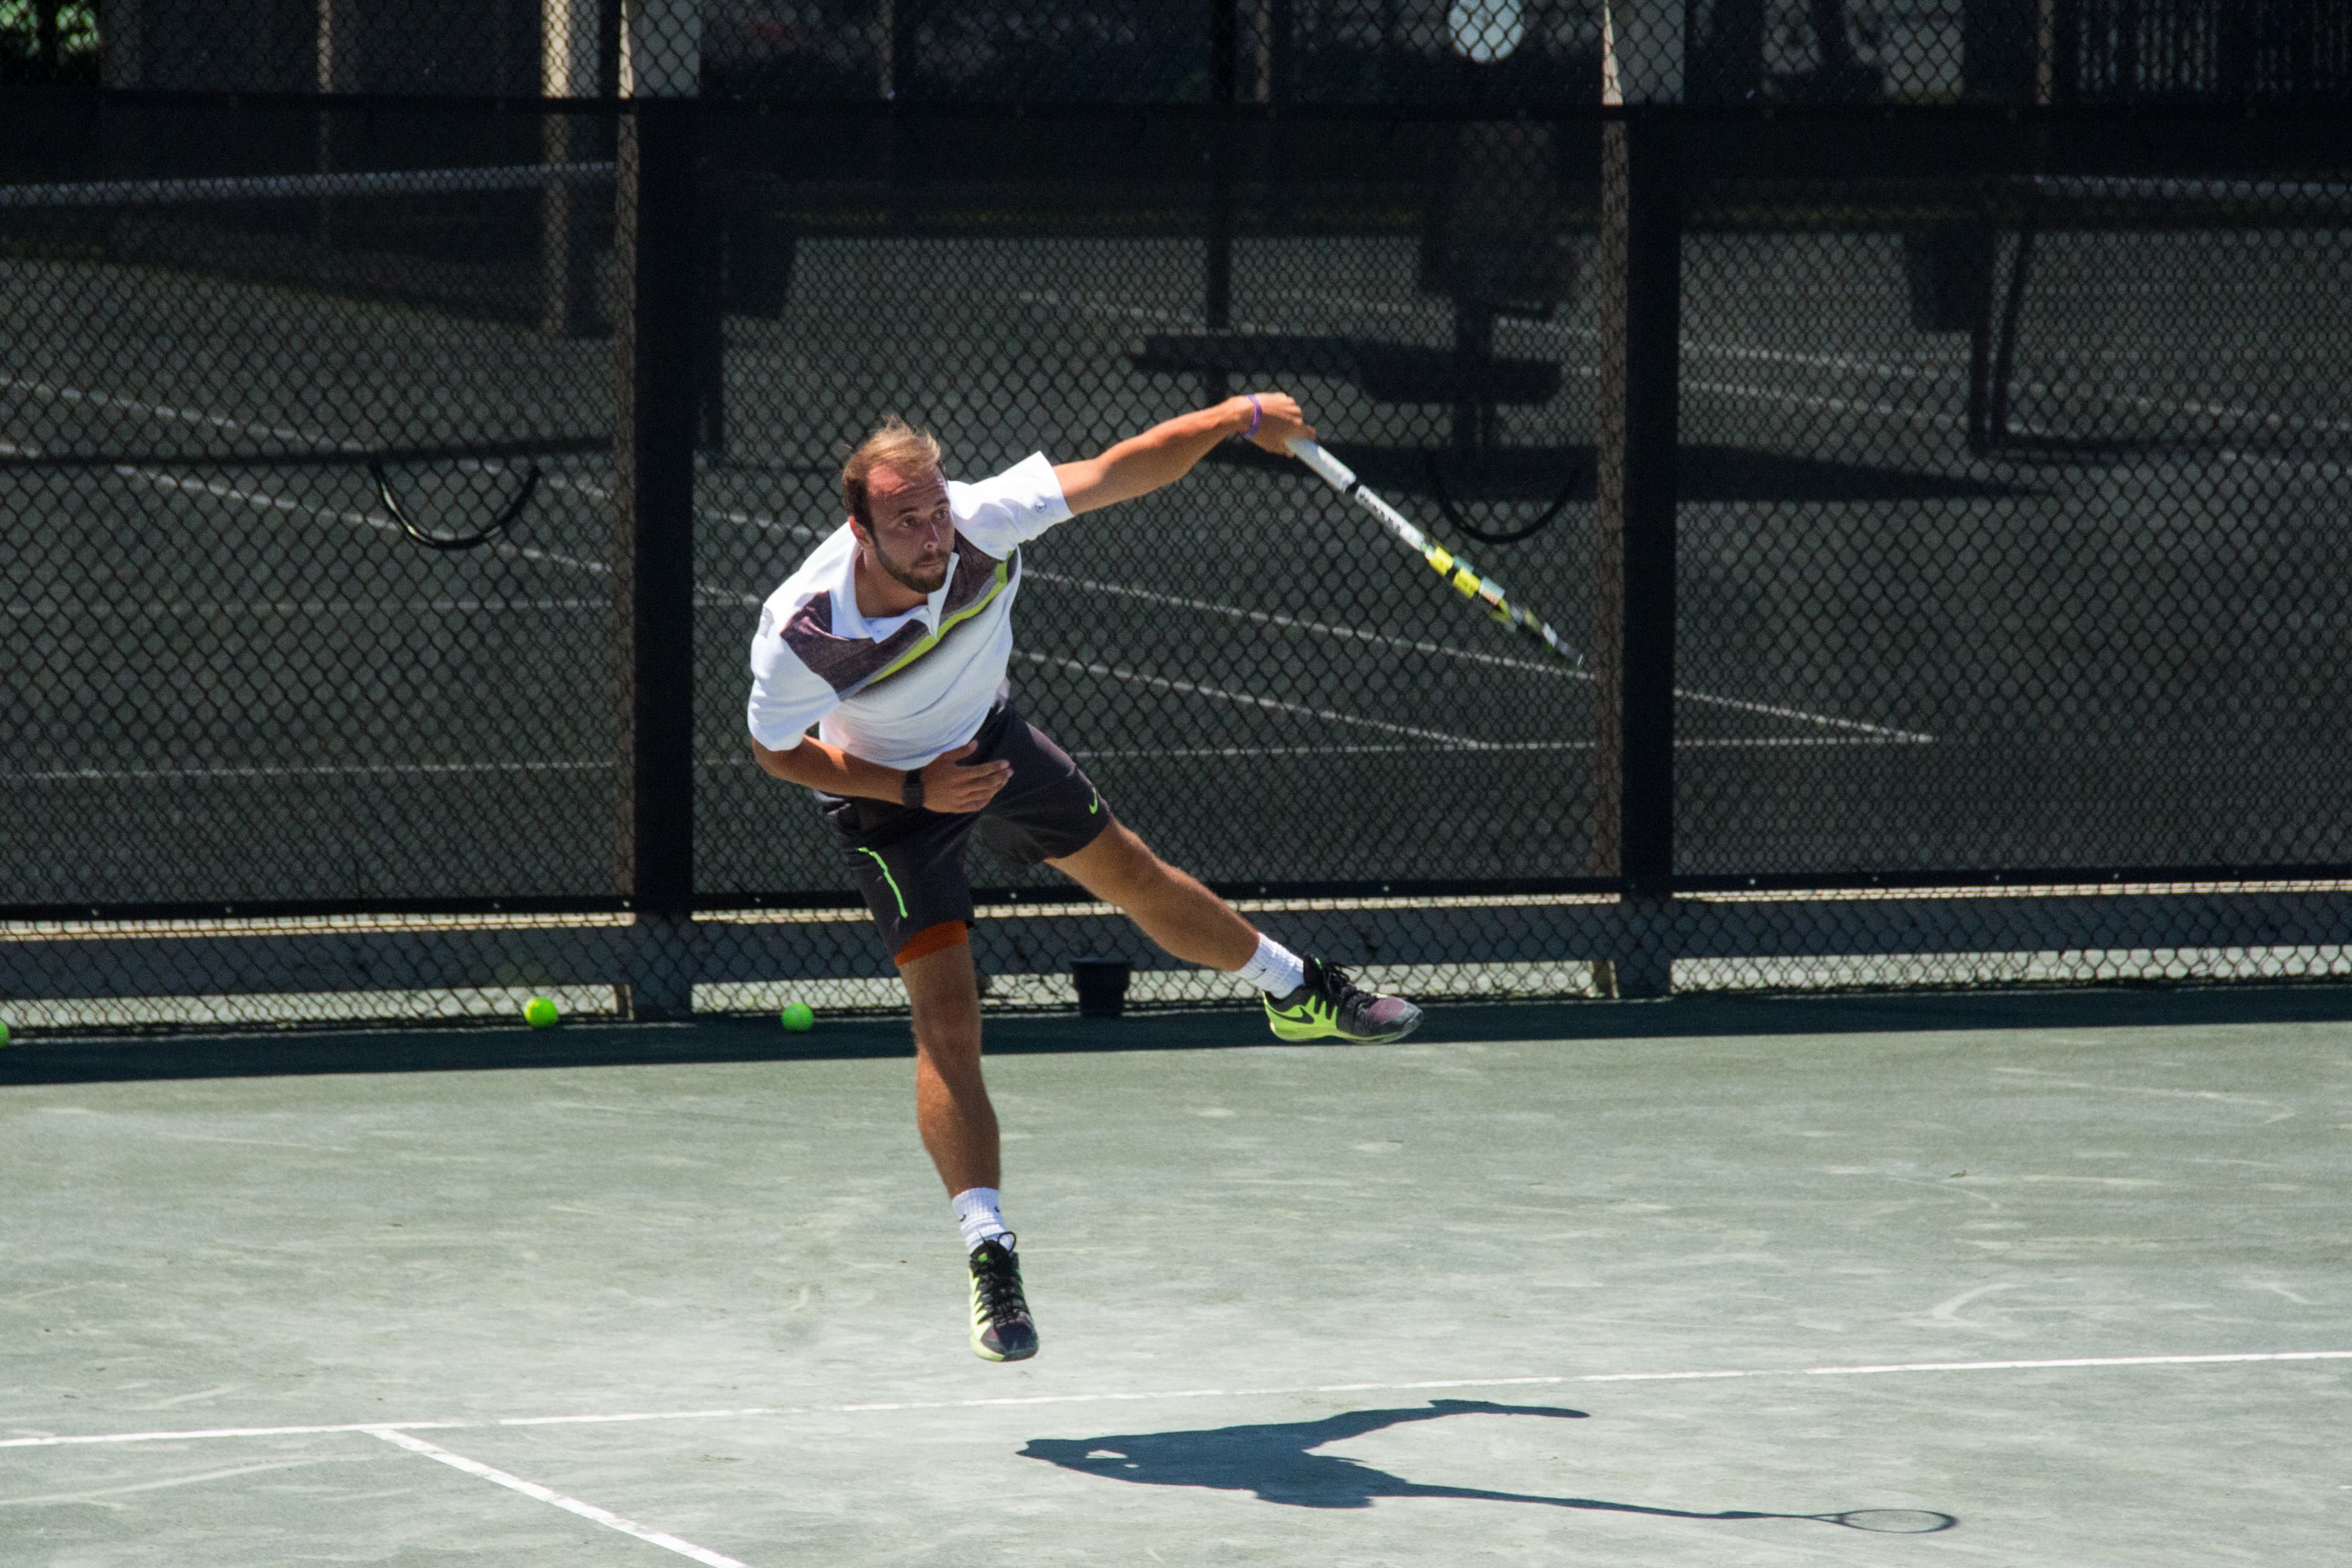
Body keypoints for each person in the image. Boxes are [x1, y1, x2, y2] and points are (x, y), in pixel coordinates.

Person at [746, 394, 1423, 1364]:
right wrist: (913, 785)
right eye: (906, 520)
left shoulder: (983, 521)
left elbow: (1125, 464)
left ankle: (1296, 991)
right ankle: (989, 1253)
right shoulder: (802, 629)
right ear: (861, 529)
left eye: (936, 507)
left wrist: (1238, 417)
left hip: (989, 738)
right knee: (949, 1016)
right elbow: (778, 752)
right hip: (889, 797)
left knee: (1136, 874)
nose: (933, 531)